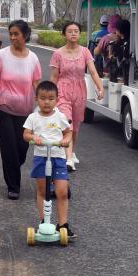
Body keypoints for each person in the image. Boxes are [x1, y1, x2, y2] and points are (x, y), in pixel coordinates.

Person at [0, 20, 42, 200]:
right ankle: (13, 186)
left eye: (16, 34)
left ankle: (12, 169)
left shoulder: (33, 58)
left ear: (25, 35)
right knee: (9, 147)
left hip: (25, 110)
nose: (13, 37)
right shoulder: (2, 55)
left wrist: (43, 108)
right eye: (11, 34)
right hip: (3, 107)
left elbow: (36, 84)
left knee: (21, 148)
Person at [50, 21, 104, 171]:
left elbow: (93, 71)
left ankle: (72, 152)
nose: (73, 33)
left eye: (76, 31)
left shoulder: (85, 52)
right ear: (64, 34)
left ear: (80, 34)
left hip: (80, 90)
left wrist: (100, 88)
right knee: (67, 122)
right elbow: (54, 77)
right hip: (62, 90)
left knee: (76, 126)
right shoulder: (58, 54)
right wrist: (50, 95)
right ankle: (68, 160)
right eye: (70, 31)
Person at [23, 81, 73, 236]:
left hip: (57, 157)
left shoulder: (60, 116)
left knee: (62, 191)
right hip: (41, 157)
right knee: (43, 191)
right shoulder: (33, 117)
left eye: (51, 98)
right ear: (36, 99)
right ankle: (44, 221)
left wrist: (66, 140)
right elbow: (25, 135)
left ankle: (63, 224)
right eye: (43, 98)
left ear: (57, 100)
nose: (47, 102)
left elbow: (68, 132)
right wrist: (33, 137)